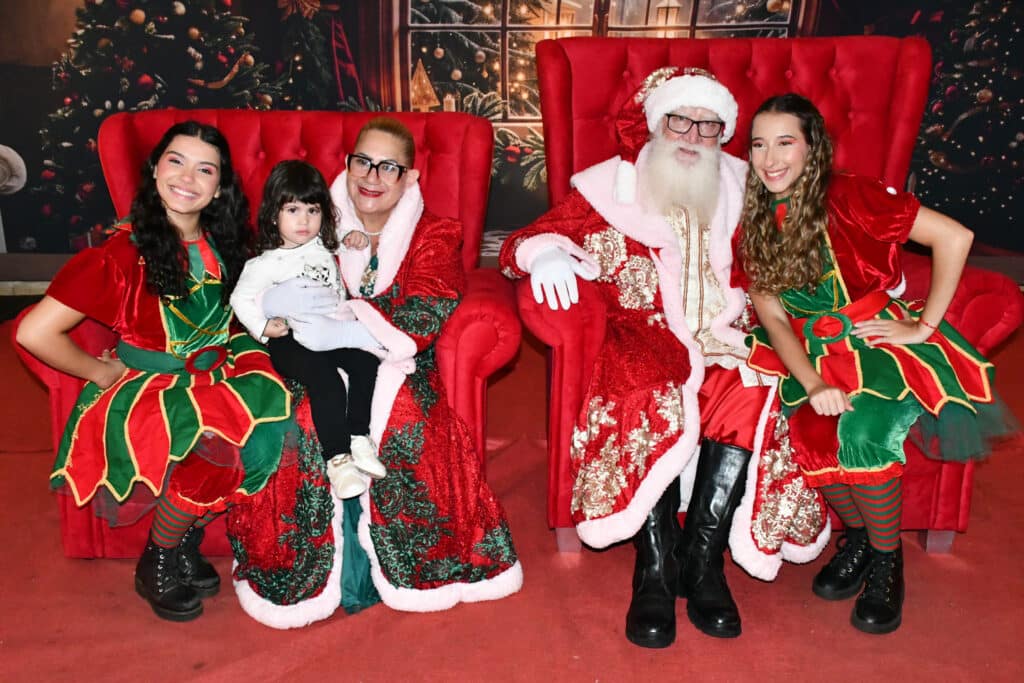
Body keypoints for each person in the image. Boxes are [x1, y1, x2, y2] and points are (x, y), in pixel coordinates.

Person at [499, 68, 828, 649]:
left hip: (729, 333)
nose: (692, 136)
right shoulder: (612, 186)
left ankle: (702, 561)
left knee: (754, 387)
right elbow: (523, 239)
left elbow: (818, 235)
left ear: (723, 133)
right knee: (649, 388)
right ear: (656, 124)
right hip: (645, 334)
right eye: (680, 120)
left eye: (708, 125)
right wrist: (543, 254)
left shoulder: (745, 184)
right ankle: (655, 565)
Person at [229, 116, 522, 628]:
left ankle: (389, 567)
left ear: (411, 177)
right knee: (302, 414)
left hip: (398, 357)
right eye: (363, 161)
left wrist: (352, 321)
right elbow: (262, 288)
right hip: (307, 350)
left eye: (389, 167)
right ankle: (324, 573)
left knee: (405, 417)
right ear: (347, 164)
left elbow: (426, 310)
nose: (372, 176)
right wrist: (282, 314)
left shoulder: (434, 234)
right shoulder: (312, 222)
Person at [737, 93, 1012, 634]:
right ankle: (863, 538)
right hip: (812, 355)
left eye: (785, 142)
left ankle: (888, 563)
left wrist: (923, 326)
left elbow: (955, 236)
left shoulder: (849, 195)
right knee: (813, 440)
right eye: (759, 145)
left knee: (864, 434)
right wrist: (811, 382)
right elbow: (772, 318)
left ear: (813, 147)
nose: (770, 159)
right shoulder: (755, 221)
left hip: (877, 344)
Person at [15, 121, 293, 622]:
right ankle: (158, 558)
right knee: (212, 451)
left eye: (205, 169)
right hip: (155, 387)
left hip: (222, 371)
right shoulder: (122, 253)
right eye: (176, 161)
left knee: (268, 433)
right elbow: (34, 332)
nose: (188, 178)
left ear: (219, 187)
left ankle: (183, 540)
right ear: (155, 169)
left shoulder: (225, 241)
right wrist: (98, 373)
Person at [231, 160, 385, 501]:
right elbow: (239, 298)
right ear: (274, 215)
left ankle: (359, 436)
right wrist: (262, 327)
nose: (304, 221)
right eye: (293, 210)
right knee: (325, 378)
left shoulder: (322, 244)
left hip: (332, 330)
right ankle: (338, 460)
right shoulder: (264, 263)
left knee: (365, 363)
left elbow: (344, 241)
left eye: (312, 210)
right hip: (290, 340)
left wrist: (354, 238)